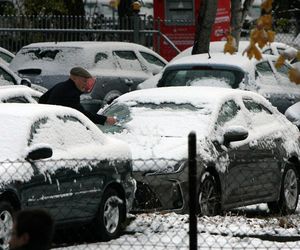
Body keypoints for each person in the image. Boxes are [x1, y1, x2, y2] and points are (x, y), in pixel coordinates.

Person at [39, 67, 116, 125]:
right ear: (74, 78)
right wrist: (105, 119)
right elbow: (82, 115)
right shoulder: (71, 93)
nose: (86, 84)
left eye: (87, 81)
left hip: (47, 122)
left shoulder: (60, 86)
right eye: (84, 81)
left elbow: (42, 100)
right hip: (55, 124)